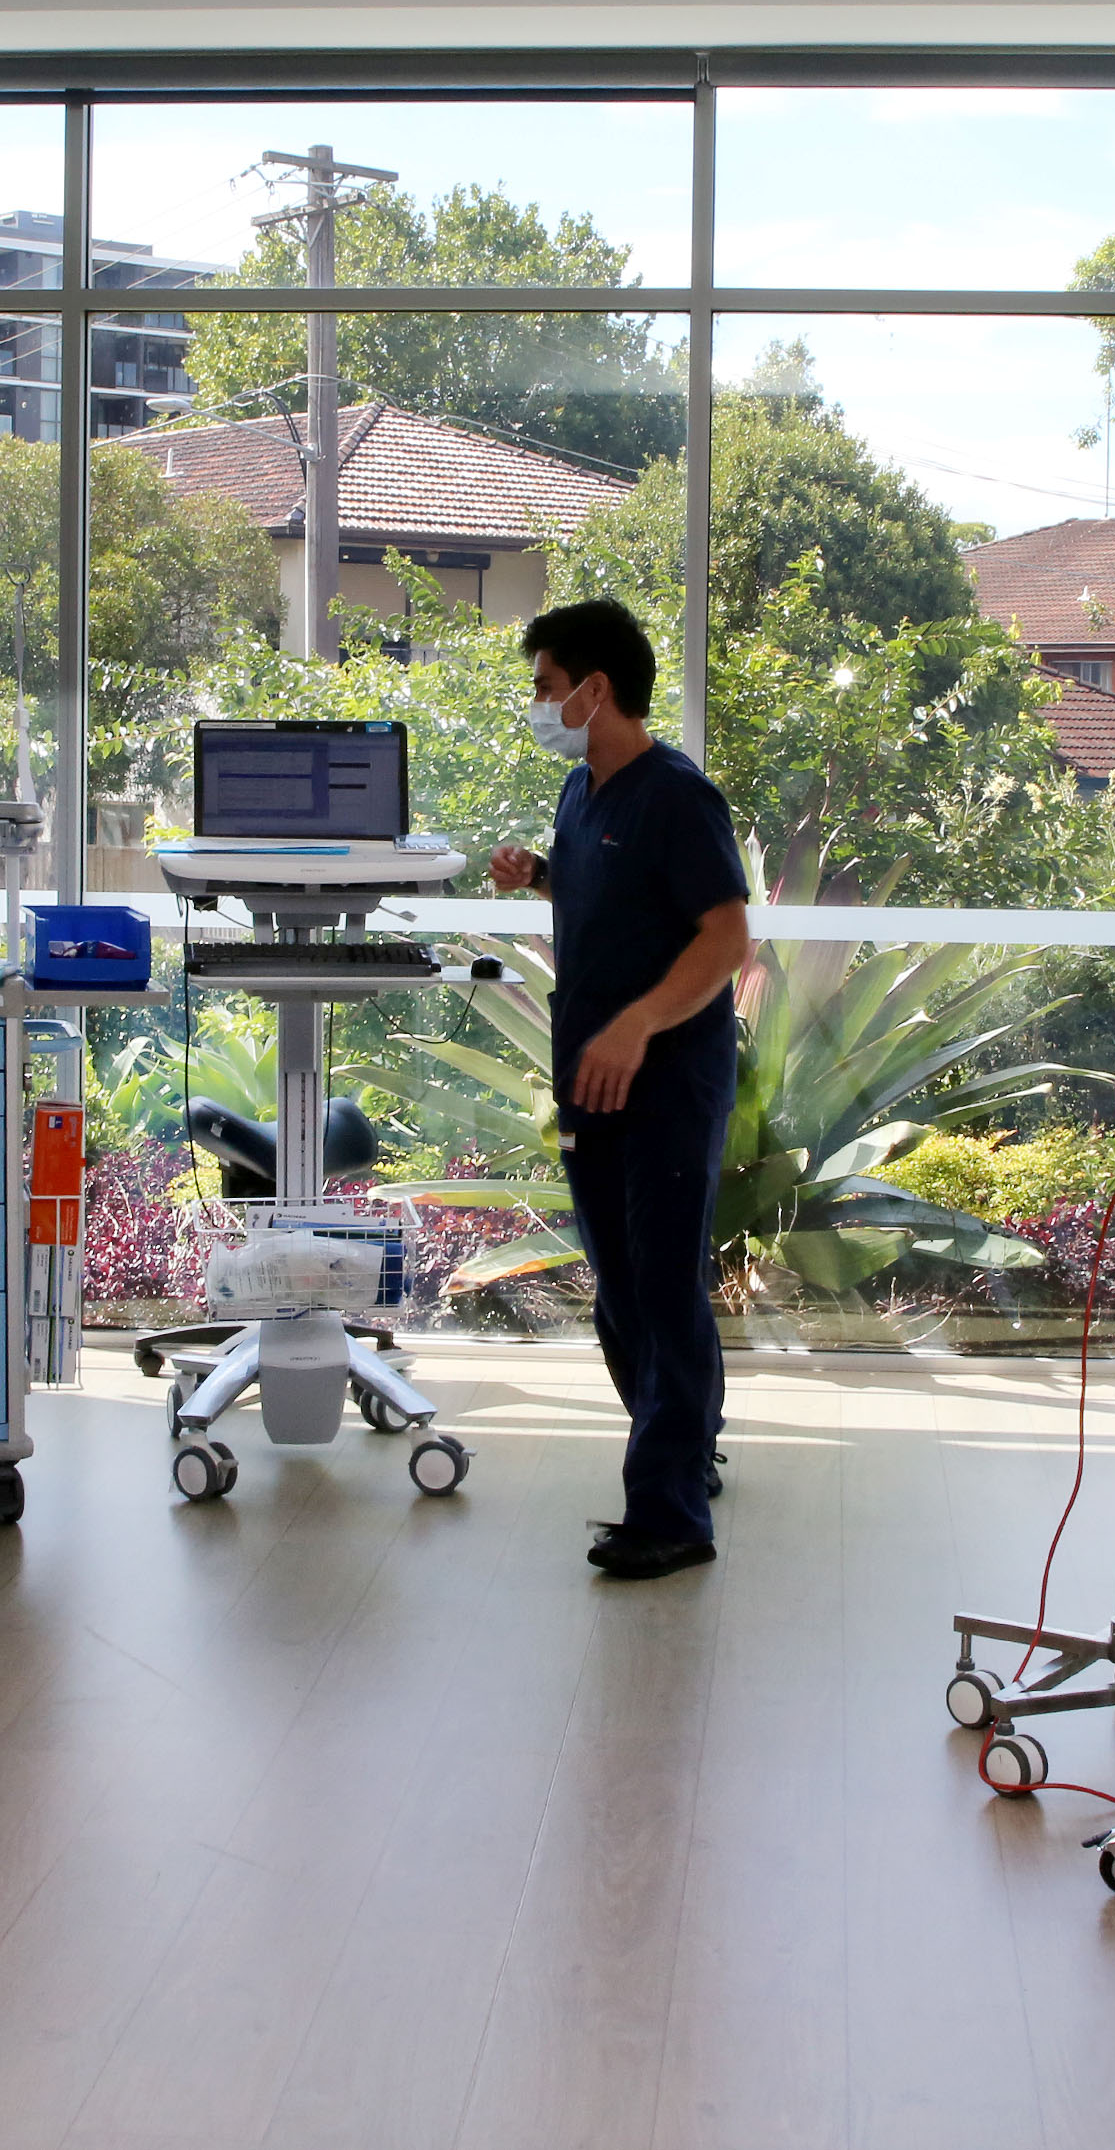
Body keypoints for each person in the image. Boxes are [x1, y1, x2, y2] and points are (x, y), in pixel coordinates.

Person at [487, 601, 753, 1581]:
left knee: (660, 1279)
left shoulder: (678, 796)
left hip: (667, 1078)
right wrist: (540, 876)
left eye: (547, 688)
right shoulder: (581, 790)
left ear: (597, 689)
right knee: (622, 1287)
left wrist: (642, 1022)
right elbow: (614, 893)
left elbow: (725, 938)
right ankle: (686, 1446)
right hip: (591, 1072)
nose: (540, 704)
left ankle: (671, 1510)